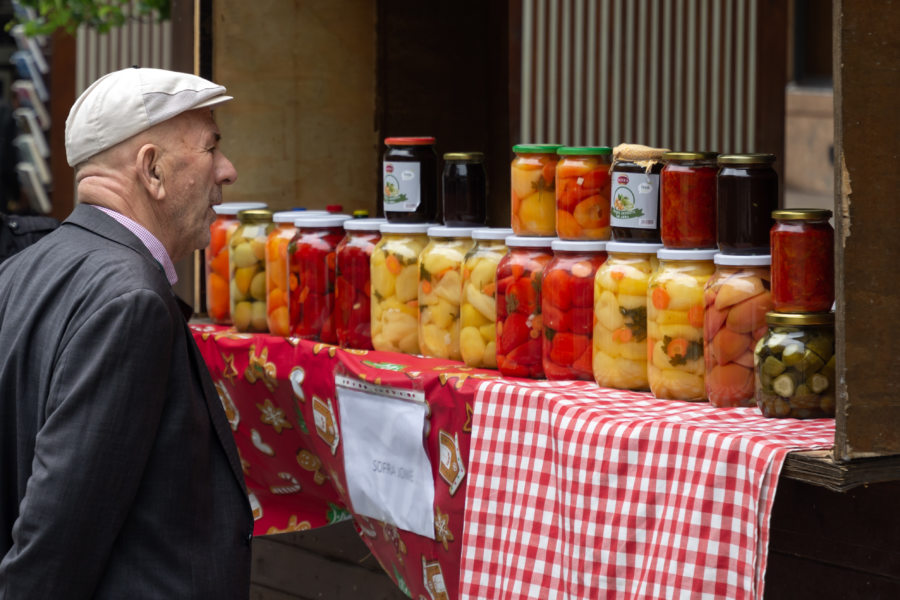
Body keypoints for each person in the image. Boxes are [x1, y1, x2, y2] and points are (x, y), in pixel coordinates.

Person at [0, 67, 253, 598]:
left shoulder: (19, 271)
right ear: (152, 169)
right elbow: (57, 539)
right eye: (212, 148)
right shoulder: (131, 299)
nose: (227, 171)